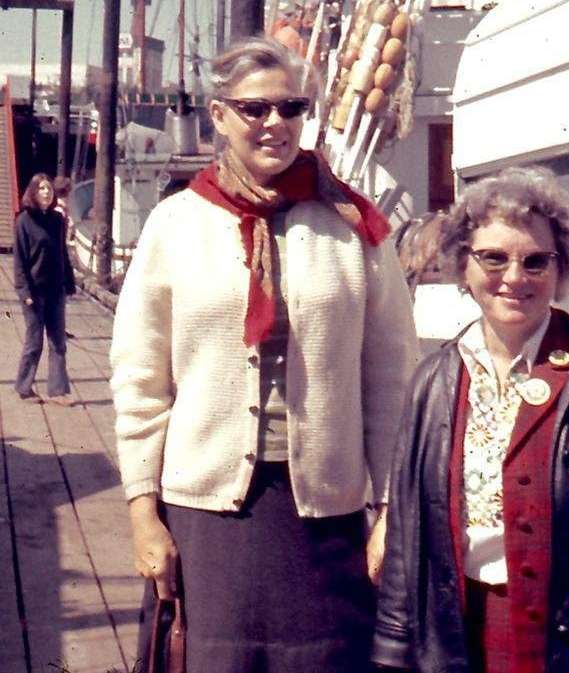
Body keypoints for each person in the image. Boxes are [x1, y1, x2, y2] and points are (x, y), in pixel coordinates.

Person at [110, 36, 419, 673]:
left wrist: (388, 508)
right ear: (219, 115)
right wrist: (144, 514)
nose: (275, 123)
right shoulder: (175, 224)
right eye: (254, 109)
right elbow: (140, 378)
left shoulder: (352, 226)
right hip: (207, 512)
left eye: (291, 108)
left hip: (327, 515)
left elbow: (390, 378)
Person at [373, 166, 569, 673]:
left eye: (535, 261)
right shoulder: (431, 384)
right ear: (464, 262)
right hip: (459, 641)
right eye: (493, 258)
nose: (514, 278)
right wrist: (392, 654)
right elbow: (406, 544)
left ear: (561, 267)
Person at [13, 172, 75, 406]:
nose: (47, 192)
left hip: (55, 290)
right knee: (34, 342)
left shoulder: (58, 221)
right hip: (34, 294)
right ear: (33, 192)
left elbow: (62, 254)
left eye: (49, 189)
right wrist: (24, 293)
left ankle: (57, 392)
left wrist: (69, 282)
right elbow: (18, 263)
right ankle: (24, 387)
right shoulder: (23, 222)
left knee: (58, 342)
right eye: (42, 189)